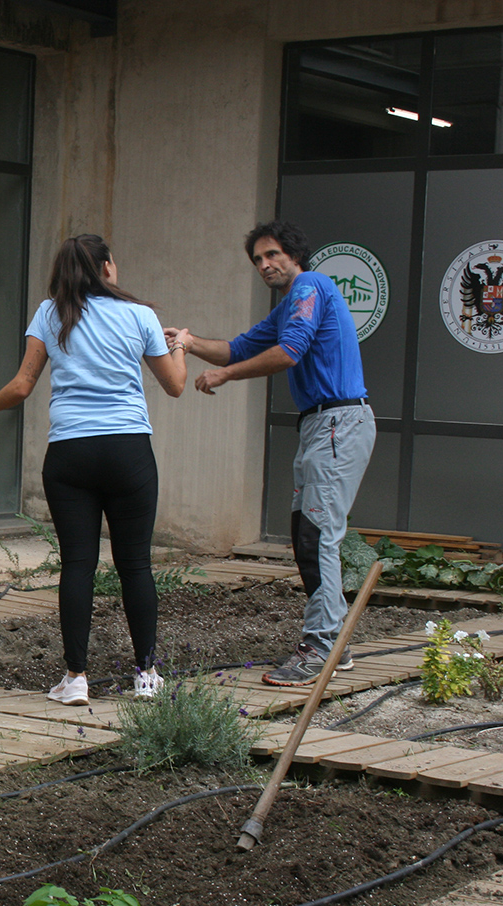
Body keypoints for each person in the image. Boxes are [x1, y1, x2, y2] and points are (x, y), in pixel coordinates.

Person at [0, 235, 186, 706]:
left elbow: (23, 385)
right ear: (107, 267)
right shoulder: (140, 316)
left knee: (78, 566)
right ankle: (146, 674)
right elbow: (174, 386)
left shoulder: (50, 314)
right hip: (128, 451)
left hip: (70, 453)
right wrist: (181, 346)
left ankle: (75, 679)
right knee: (135, 565)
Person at [165, 220, 374, 687]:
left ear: (294, 254)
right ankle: (334, 643)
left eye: (272, 254)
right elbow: (236, 347)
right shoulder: (287, 308)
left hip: (339, 422)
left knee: (319, 535)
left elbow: (289, 353)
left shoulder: (311, 286)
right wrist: (190, 342)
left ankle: (320, 646)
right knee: (305, 536)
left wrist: (226, 376)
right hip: (321, 425)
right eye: (257, 260)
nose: (264, 265)